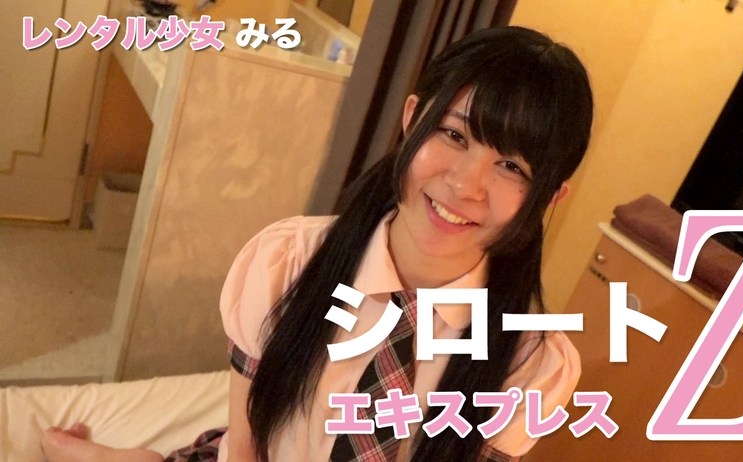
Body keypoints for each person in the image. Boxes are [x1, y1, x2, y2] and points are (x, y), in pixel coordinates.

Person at [42, 25, 593, 462]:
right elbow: (246, 446)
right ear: (411, 118)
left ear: (550, 197)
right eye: (454, 134)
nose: (466, 185)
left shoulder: (532, 363)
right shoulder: (288, 261)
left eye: (511, 166)